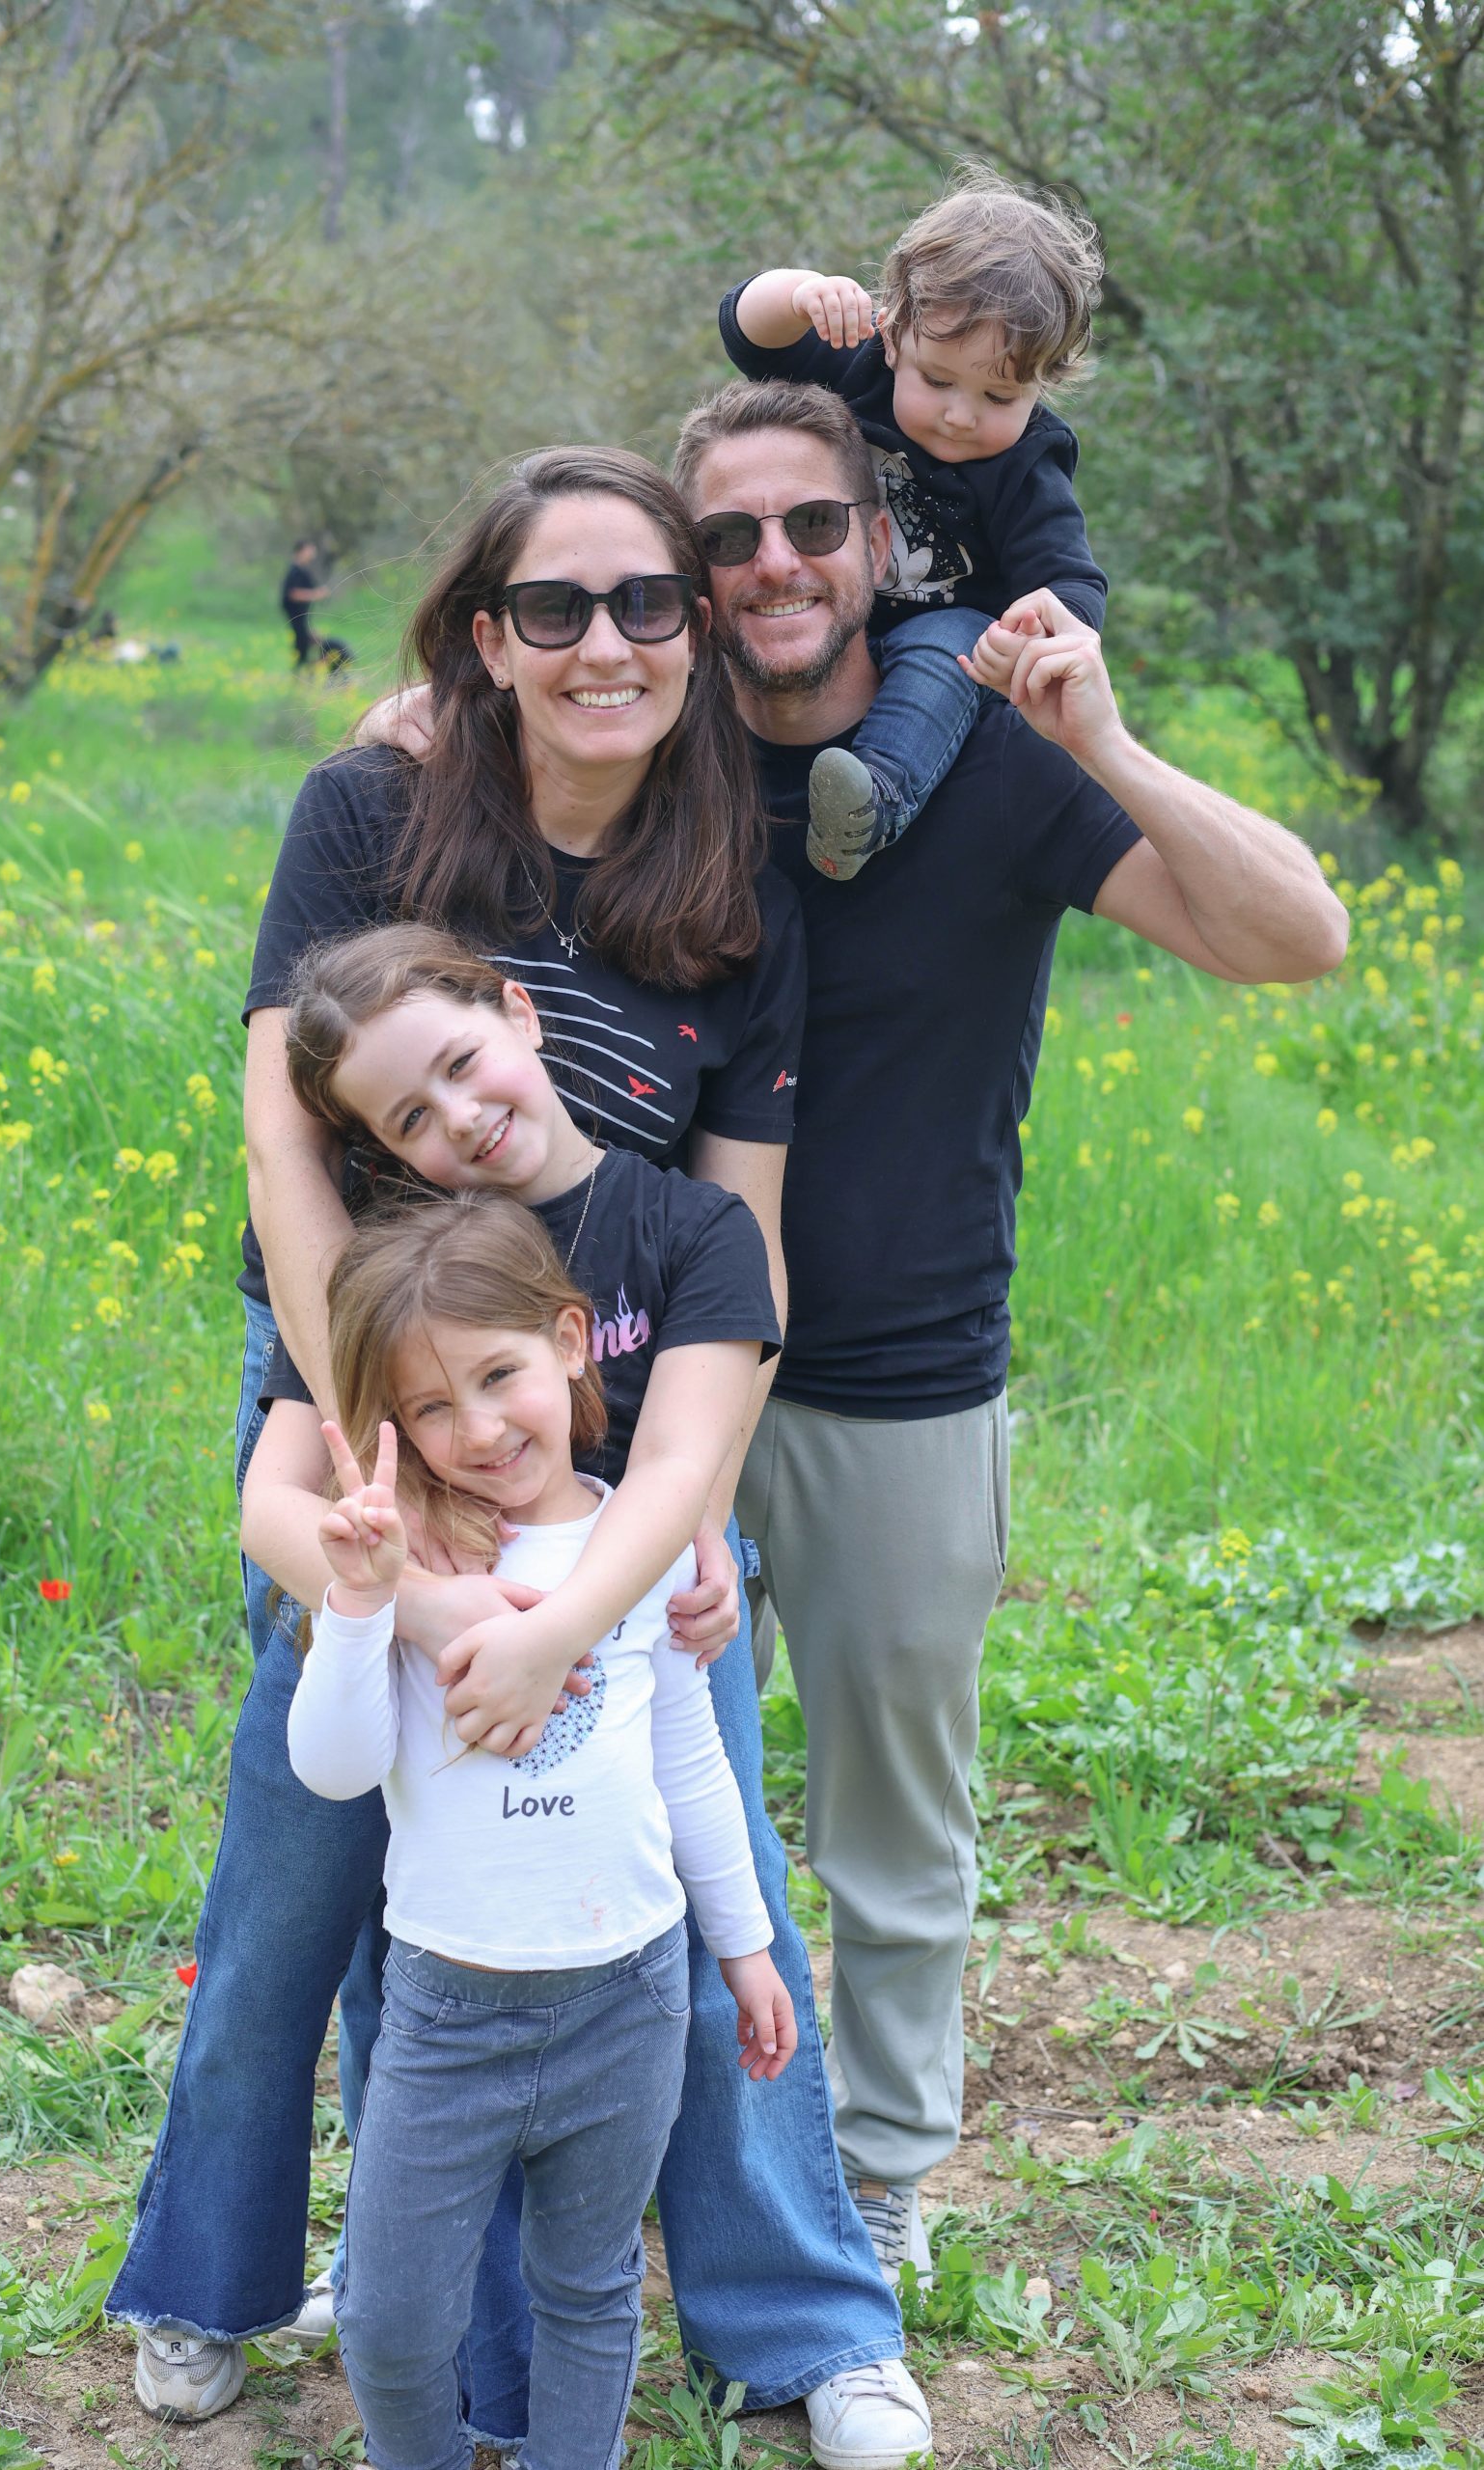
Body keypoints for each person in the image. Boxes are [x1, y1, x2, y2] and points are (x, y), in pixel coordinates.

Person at [358, 378, 1346, 2302]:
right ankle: (581, 2192)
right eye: (725, 540)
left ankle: (877, 2181)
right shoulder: (665, 754)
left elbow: (1291, 936)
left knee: (891, 1832)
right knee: (583, 1802)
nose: (773, 566)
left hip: (901, 1377)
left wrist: (1101, 741)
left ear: (882, 543)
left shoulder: (988, 758)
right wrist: (415, 720)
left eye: (812, 524)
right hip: (629, 1390)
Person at [110, 447, 921, 2470]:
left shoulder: (737, 878)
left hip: (613, 1423)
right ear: (486, 635)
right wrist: (397, 1504)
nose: (603, 644)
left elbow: (734, 1235)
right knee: (313, 1872)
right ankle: (221, 2279)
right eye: (552, 609)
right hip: (363, 1387)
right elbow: (285, 1129)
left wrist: (662, 1524)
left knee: (695, 1857)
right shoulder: (373, 807)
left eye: (644, 600)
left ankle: (803, 2321)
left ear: (696, 626)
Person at [273, 1193, 795, 2470]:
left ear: (569, 1341)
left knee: (590, 2285)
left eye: (498, 1374)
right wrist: (359, 1601)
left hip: (625, 1995)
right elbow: (334, 1769)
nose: (479, 1427)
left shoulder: (638, 1545)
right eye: (431, 1406)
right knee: (393, 2318)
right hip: (448, 2015)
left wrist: (744, 1948)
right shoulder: (417, 1565)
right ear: (395, 1427)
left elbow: (691, 1764)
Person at [720, 169, 1106, 880]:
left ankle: (872, 804)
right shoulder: (858, 368)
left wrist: (1031, 634)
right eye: (937, 381)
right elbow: (744, 334)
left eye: (998, 396)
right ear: (893, 335)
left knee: (946, 646)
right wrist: (800, 294)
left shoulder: (1029, 463)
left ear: (1043, 383)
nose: (960, 414)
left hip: (938, 634)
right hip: (822, 602)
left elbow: (1071, 584)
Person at [281, 538, 353, 674]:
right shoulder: (295, 571)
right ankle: (301, 675)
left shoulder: (303, 571)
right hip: (296, 616)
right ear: (300, 551)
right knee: (302, 646)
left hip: (303, 617)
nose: (312, 553)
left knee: (309, 643)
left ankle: (308, 674)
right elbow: (293, 593)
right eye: (309, 550)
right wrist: (315, 594)